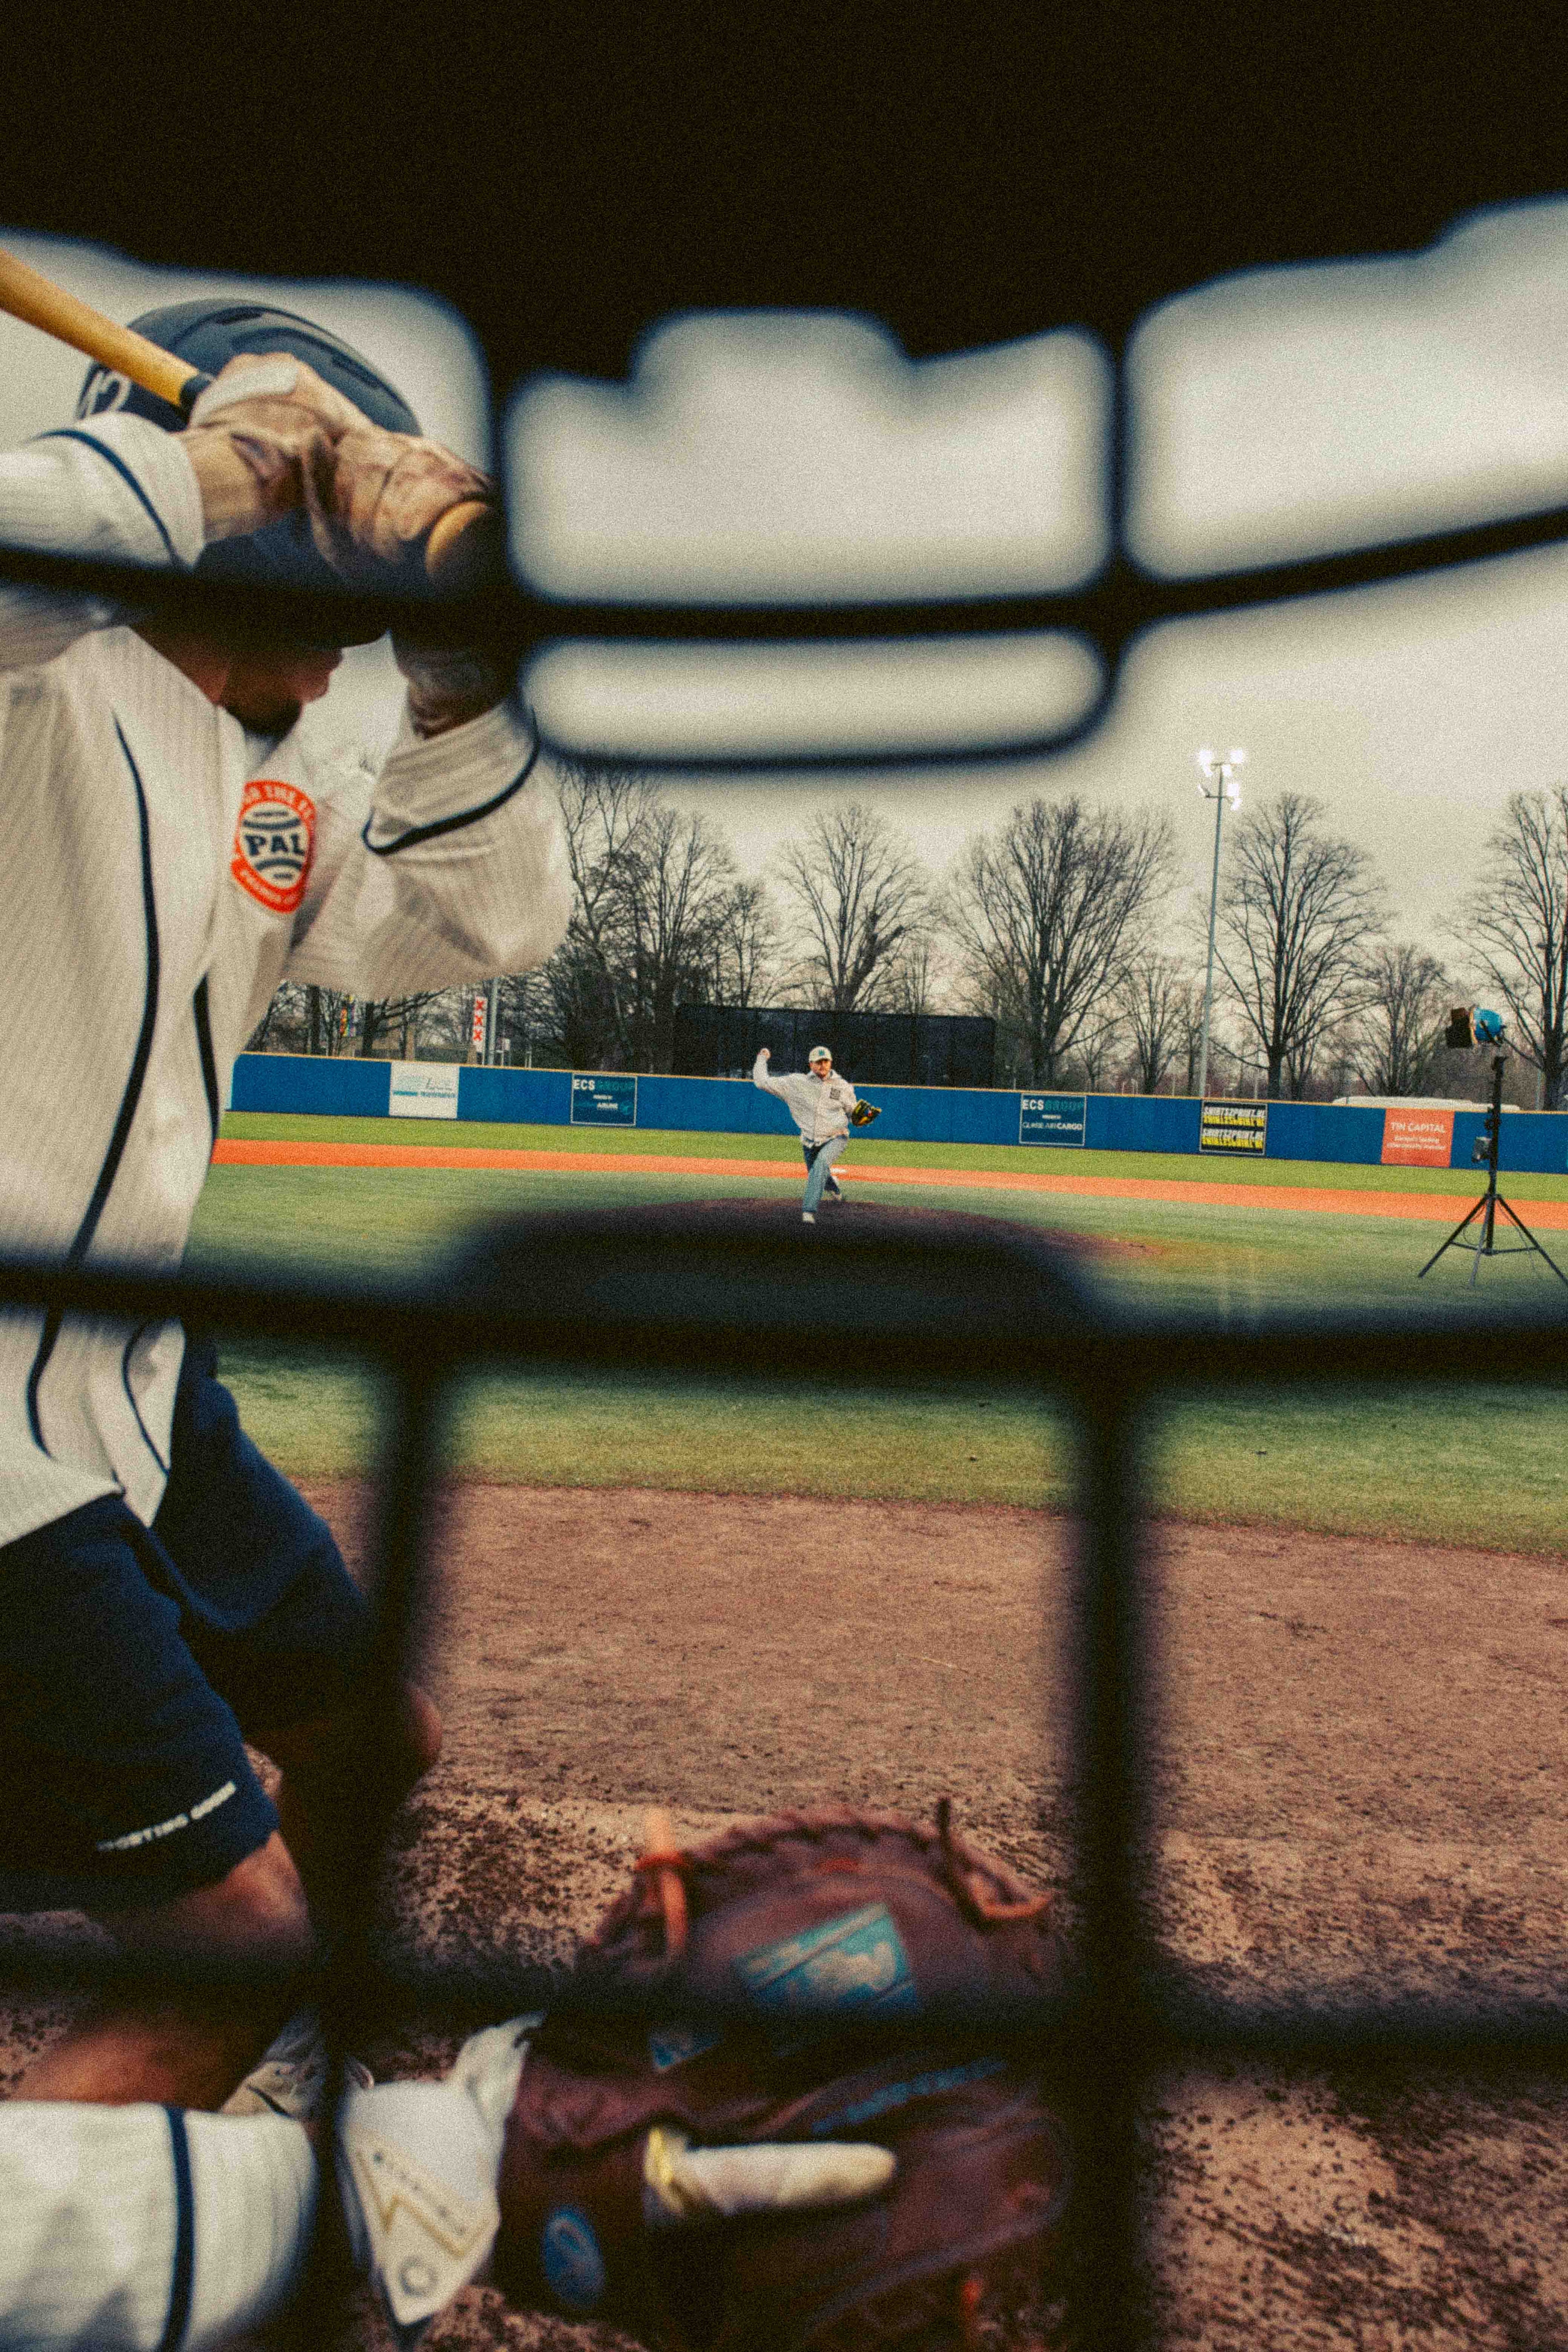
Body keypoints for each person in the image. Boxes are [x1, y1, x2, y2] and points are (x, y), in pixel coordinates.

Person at [0, 302, 573, 2114]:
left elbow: (487, 922)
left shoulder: (282, 768)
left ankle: (266, 2083)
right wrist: (219, 470)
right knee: (229, 1942)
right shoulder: (34, 686)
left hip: (132, 1381)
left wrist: (464, 666)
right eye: (327, 599)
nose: (342, 659)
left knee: (371, 1736)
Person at [752, 1042, 860, 1221]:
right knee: (816, 1170)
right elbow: (762, 1082)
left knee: (821, 1165)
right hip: (809, 1141)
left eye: (826, 1061)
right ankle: (834, 1189)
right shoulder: (796, 1083)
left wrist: (860, 1118)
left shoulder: (842, 1086)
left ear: (831, 1063)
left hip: (837, 1137)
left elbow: (853, 1113)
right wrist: (762, 1059)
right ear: (811, 1064)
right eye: (818, 1062)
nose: (823, 1065)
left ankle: (809, 1212)